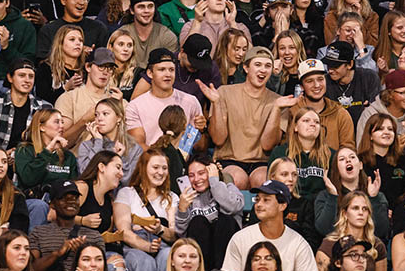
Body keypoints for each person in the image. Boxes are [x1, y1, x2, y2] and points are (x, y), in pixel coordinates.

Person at [202, 47, 294, 189]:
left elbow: (268, 145)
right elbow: (218, 139)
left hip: (261, 162)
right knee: (238, 179)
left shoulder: (279, 101)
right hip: (229, 159)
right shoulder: (224, 93)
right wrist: (216, 103)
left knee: (264, 182)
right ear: (245, 68)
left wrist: (276, 109)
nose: (263, 70)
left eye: (267, 66)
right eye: (257, 65)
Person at [222, 180, 320, 271]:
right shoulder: (240, 238)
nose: (258, 204)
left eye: (266, 200)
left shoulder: (298, 243)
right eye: (257, 199)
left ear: (282, 206)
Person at [111, 148, 178, 271]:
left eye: (164, 168)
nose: (160, 172)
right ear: (143, 168)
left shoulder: (172, 197)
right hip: (134, 246)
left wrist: (160, 230)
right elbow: (124, 232)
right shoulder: (127, 193)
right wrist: (147, 246)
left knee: (169, 256)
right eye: (155, 167)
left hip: (162, 245)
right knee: (144, 261)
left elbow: (175, 234)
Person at [27, 179, 102, 271]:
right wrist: (58, 253)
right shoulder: (38, 232)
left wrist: (83, 253)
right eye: (64, 198)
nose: (71, 201)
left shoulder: (94, 236)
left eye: (74, 198)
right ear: (52, 204)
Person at [123, 49, 204, 148]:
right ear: (150, 73)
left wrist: (200, 131)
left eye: (171, 70)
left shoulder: (191, 102)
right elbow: (138, 146)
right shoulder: (135, 106)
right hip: (150, 160)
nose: (168, 74)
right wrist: (163, 161)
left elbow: (199, 146)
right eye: (161, 70)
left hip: (183, 161)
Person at [355, 69, 405, 166]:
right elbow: (362, 153)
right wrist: (394, 150)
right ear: (390, 94)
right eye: (403, 93)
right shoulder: (370, 114)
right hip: (374, 170)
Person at [288, 59, 354, 152]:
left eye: (320, 79)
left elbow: (348, 150)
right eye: (310, 81)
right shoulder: (293, 112)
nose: (317, 85)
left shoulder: (340, 113)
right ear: (302, 87)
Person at [320, 41, 381, 126]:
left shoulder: (369, 78)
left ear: (350, 64)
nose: (330, 70)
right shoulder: (324, 82)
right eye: (328, 65)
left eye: (335, 66)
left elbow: (376, 113)